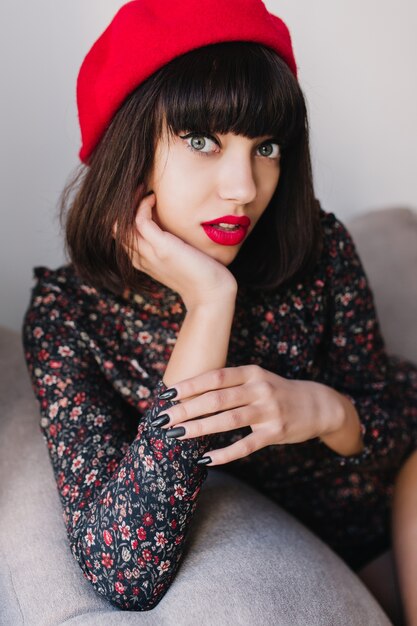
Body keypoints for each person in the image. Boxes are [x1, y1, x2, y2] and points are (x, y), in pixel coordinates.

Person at [21, 0, 417, 620]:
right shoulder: (70, 317)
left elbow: (398, 413)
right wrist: (209, 302)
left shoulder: (317, 250)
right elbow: (125, 571)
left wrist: (322, 409)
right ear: (130, 150)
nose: (244, 186)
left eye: (266, 147)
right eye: (202, 140)